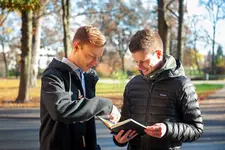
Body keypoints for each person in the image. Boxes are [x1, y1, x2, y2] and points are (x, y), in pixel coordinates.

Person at [113, 28, 204, 150]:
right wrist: (119, 139)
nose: (139, 67)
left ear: (159, 54)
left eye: (144, 61)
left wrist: (167, 129)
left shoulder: (182, 85)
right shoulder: (132, 84)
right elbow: (124, 123)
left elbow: (196, 129)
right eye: (136, 62)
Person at [39, 25, 121, 150]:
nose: (95, 63)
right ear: (76, 46)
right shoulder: (53, 76)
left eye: (98, 57)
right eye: (91, 56)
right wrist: (105, 105)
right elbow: (62, 111)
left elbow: (86, 121)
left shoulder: (89, 77)